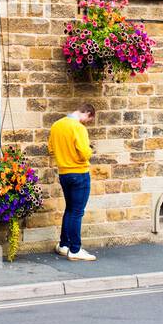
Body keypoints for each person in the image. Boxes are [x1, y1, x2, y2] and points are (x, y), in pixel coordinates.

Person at [48, 103, 97, 261]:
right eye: (88, 120)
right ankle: (75, 249)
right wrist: (90, 149)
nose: (86, 123)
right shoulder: (78, 128)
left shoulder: (57, 125)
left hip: (64, 173)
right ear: (87, 113)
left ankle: (64, 245)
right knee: (77, 212)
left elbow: (51, 149)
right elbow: (84, 153)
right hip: (79, 173)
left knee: (70, 210)